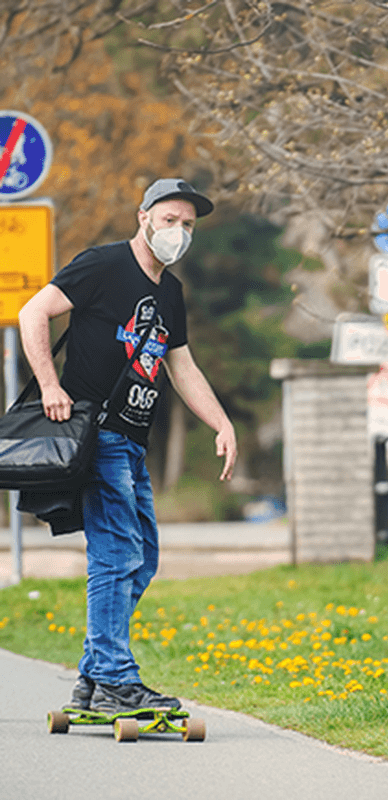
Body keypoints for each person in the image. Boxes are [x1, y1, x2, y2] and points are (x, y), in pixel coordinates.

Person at [18, 178, 238, 713]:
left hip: (134, 438)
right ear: (144, 217)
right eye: (170, 221)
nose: (179, 233)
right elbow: (34, 312)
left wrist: (221, 422)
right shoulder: (102, 264)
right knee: (117, 555)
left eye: (188, 225)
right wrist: (50, 385)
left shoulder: (171, 292)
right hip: (96, 432)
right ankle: (116, 678)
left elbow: (180, 364)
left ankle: (94, 679)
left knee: (143, 559)